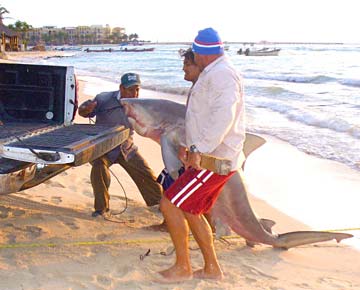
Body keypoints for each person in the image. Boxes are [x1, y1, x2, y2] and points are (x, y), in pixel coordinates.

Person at [158, 27, 246, 282]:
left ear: (201, 53)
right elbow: (202, 117)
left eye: (194, 53)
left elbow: (223, 118)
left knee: (171, 203)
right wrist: (189, 143)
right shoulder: (213, 73)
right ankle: (211, 269)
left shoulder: (222, 76)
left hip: (213, 159)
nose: (191, 59)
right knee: (190, 209)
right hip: (209, 155)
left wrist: (200, 149)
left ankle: (183, 267)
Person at [78, 73, 163, 217]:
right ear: (121, 88)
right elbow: (83, 112)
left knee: (147, 174)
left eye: (137, 89)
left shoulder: (140, 105)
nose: (134, 93)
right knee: (99, 169)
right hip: (104, 148)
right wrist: (86, 109)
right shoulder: (103, 99)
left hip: (126, 148)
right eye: (130, 89)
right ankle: (101, 209)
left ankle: (159, 204)